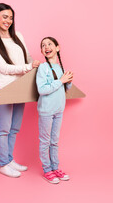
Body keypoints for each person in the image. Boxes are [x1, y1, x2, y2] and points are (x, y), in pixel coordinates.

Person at [0, 3, 40, 177]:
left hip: (21, 88)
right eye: (4, 17)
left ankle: (9, 160)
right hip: (3, 88)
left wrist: (36, 66)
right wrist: (28, 67)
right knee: (3, 129)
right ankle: (4, 164)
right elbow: (3, 67)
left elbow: (28, 56)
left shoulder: (18, 35)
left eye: (10, 17)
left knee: (14, 128)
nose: (8, 21)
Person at [36, 37, 73, 184]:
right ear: (42, 51)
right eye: (43, 45)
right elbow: (42, 89)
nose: (46, 46)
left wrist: (68, 82)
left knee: (54, 142)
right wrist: (61, 81)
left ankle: (55, 167)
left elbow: (64, 88)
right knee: (45, 141)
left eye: (50, 44)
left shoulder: (60, 68)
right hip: (46, 110)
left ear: (57, 48)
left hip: (59, 110)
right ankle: (47, 170)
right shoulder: (43, 67)